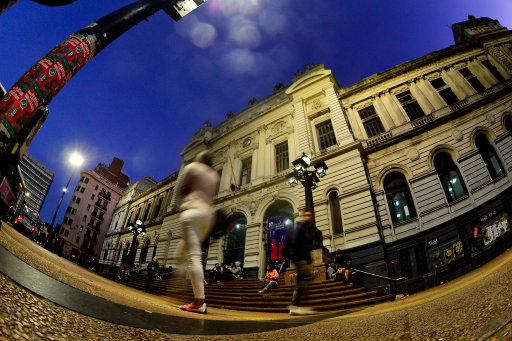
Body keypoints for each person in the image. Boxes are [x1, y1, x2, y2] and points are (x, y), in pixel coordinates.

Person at [177, 151, 219, 314]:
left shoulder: (192, 167)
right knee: (190, 251)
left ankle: (199, 301)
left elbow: (181, 191)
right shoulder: (214, 175)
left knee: (193, 255)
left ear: (199, 159)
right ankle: (180, 269)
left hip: (192, 213)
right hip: (208, 217)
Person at [288, 209, 316, 315]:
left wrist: (309, 258)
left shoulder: (308, 229)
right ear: (303, 216)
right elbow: (294, 242)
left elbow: (307, 246)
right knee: (307, 276)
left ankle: (294, 305)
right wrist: (295, 257)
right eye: (307, 215)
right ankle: (295, 305)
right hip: (299, 258)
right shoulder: (300, 228)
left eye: (310, 216)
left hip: (304, 258)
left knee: (301, 281)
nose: (308, 217)